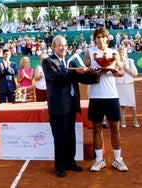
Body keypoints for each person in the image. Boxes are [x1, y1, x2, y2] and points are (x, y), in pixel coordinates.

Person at [42, 35, 91, 177]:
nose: (63, 48)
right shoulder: (48, 62)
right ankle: (60, 165)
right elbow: (57, 78)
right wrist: (76, 72)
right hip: (58, 106)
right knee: (60, 136)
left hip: (71, 104)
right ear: (54, 47)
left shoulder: (70, 62)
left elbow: (81, 77)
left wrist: (94, 74)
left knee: (70, 135)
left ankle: (70, 161)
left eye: (65, 45)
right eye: (60, 45)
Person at [84, 27, 128, 172]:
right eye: (98, 37)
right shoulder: (90, 52)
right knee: (96, 128)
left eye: (103, 37)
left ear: (107, 38)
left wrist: (115, 71)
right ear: (95, 39)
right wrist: (90, 71)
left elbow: (121, 71)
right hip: (96, 96)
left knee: (115, 128)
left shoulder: (114, 53)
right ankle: (99, 160)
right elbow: (86, 71)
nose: (101, 40)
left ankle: (118, 159)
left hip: (112, 95)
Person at [116, 46, 139, 128]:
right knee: (121, 104)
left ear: (125, 53)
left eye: (122, 52)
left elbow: (135, 73)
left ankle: (135, 120)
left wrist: (126, 69)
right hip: (119, 85)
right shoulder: (116, 62)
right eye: (120, 52)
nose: (121, 54)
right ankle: (123, 121)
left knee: (132, 103)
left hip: (129, 84)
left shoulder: (130, 61)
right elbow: (115, 74)